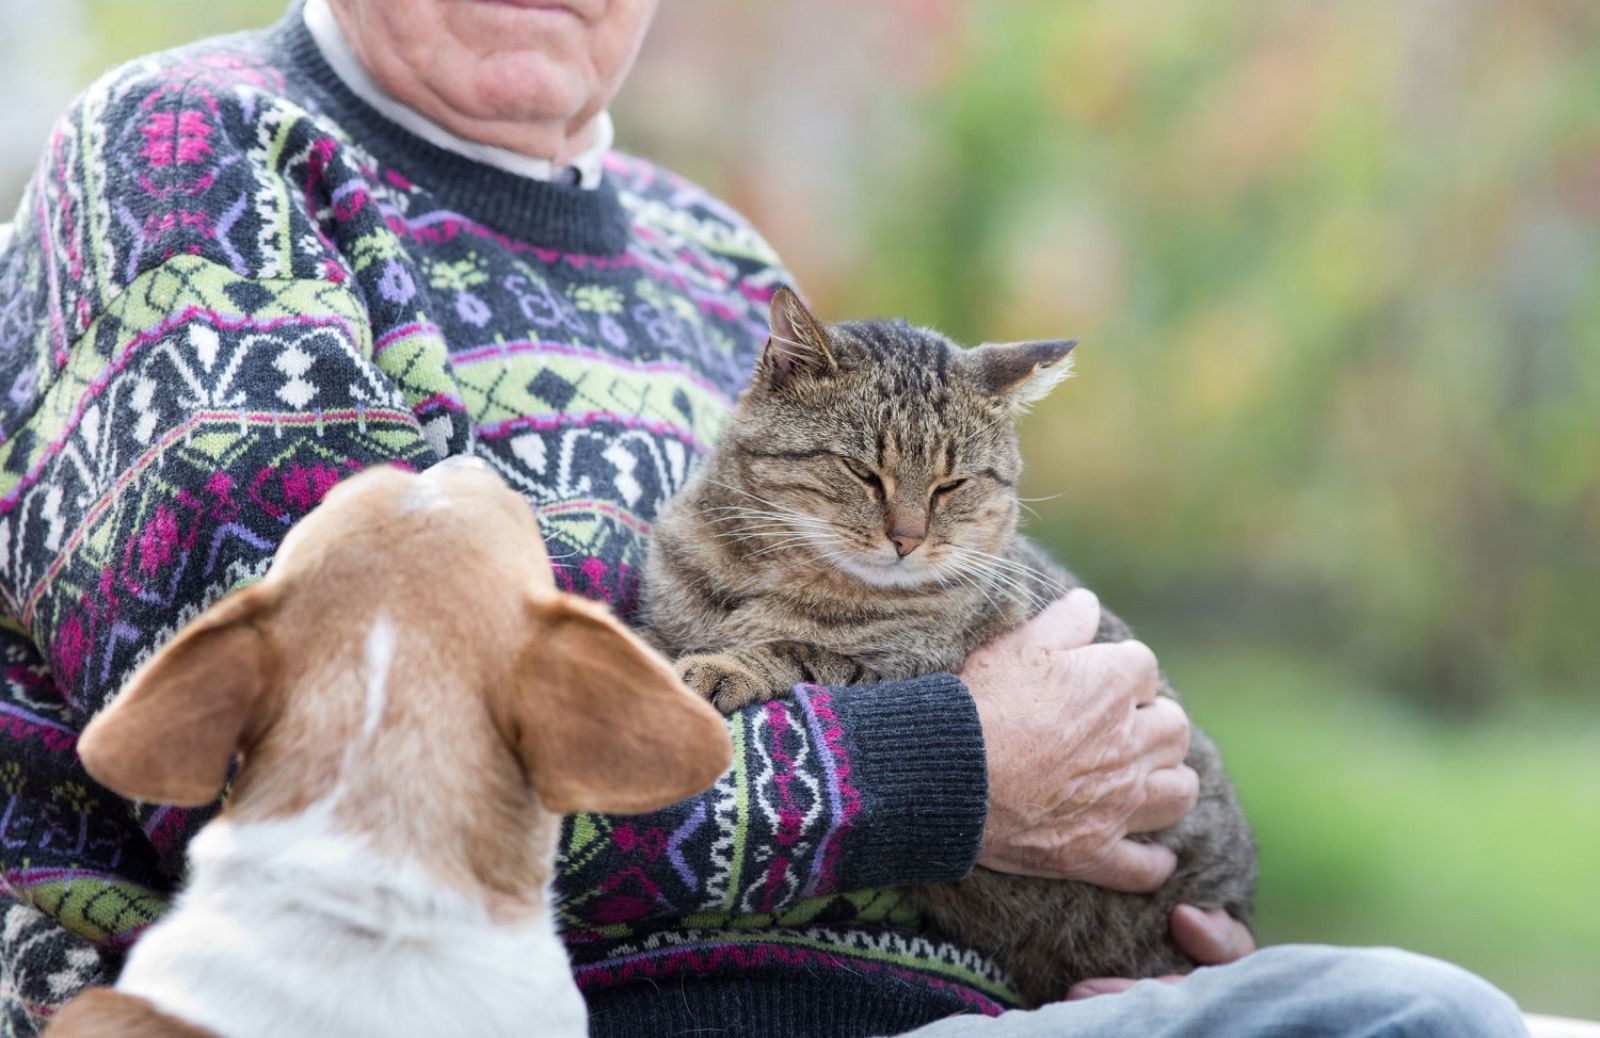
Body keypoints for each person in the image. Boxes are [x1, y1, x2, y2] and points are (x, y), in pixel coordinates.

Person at [0, 1, 1525, 1036]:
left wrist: (1093, 908)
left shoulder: (717, 262)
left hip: (983, 993)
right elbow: (320, 790)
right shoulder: (204, 153)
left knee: (1402, 1006)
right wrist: (958, 765)